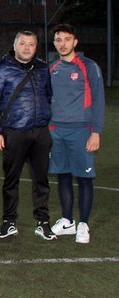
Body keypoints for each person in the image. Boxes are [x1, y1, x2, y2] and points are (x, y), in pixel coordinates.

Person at [0, 30, 55, 240]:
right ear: (15, 45)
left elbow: (48, 95)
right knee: (11, 180)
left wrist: (45, 120)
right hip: (14, 132)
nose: (26, 48)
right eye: (22, 43)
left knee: (41, 180)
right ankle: (9, 221)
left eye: (31, 44)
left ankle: (43, 221)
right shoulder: (2, 69)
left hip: (40, 132)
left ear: (36, 47)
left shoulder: (43, 68)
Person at [48, 24, 105, 244]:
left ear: (75, 42)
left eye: (67, 39)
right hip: (56, 131)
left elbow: (99, 100)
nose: (62, 43)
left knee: (84, 178)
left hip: (82, 130)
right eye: (58, 39)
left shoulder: (88, 66)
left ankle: (83, 224)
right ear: (55, 43)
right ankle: (67, 220)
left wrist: (96, 132)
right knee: (62, 176)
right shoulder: (52, 69)